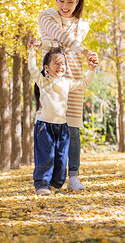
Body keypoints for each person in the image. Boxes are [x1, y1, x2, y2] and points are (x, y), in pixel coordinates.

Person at [29, 0, 98, 190]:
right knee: (50, 124)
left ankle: (73, 177)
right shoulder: (46, 16)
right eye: (61, 0)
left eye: (70, 2)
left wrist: (89, 62)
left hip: (74, 73)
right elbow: (61, 38)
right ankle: (46, 179)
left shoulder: (83, 25)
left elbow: (57, 43)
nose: (65, 6)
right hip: (52, 73)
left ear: (78, 3)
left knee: (73, 127)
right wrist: (84, 50)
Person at [28, 46, 97, 195]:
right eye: (56, 63)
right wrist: (32, 51)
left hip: (62, 127)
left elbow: (85, 83)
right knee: (46, 156)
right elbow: (32, 68)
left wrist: (91, 69)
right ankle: (42, 185)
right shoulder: (43, 81)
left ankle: (56, 185)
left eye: (63, 64)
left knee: (60, 158)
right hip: (45, 126)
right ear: (46, 67)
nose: (60, 67)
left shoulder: (67, 82)